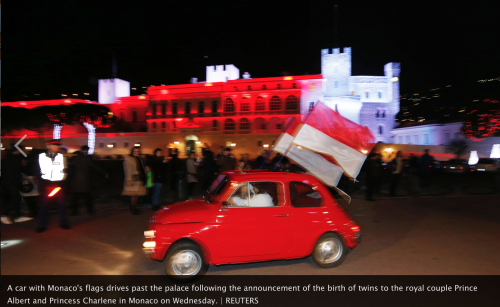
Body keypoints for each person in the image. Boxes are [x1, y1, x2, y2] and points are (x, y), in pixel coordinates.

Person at [35, 140, 70, 233]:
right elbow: (36, 170)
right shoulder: (41, 156)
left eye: (58, 145)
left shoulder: (62, 157)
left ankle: (63, 223)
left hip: (58, 184)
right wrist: (41, 181)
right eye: (55, 145)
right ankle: (42, 225)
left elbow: (66, 170)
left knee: (61, 204)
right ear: (49, 146)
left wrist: (63, 180)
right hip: (46, 184)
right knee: (44, 206)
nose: (57, 147)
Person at [68, 146, 108, 216]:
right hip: (84, 181)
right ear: (86, 150)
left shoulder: (74, 158)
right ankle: (90, 211)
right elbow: (95, 167)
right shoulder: (87, 159)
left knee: (75, 198)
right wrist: (104, 173)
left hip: (75, 181)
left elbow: (69, 168)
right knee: (87, 197)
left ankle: (73, 211)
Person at [1, 146, 33, 224]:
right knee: (16, 199)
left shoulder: (8, 158)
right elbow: (22, 165)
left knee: (15, 199)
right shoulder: (14, 158)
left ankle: (17, 216)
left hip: (9, 182)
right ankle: (3, 214)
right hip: (11, 183)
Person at [122, 146, 147, 215]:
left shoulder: (139, 158)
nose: (137, 153)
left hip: (139, 177)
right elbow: (127, 170)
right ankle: (133, 208)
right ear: (132, 151)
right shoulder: (129, 159)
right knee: (134, 195)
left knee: (138, 194)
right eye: (135, 151)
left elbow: (141, 168)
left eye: (138, 151)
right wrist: (129, 179)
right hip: (133, 178)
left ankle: (133, 207)